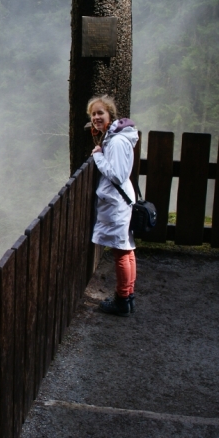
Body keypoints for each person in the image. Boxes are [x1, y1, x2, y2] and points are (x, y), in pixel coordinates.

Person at [87, 95, 139, 317]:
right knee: (126, 250)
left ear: (110, 115)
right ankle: (127, 296)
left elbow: (117, 175)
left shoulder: (116, 141)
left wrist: (98, 157)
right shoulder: (114, 137)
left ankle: (122, 300)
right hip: (120, 202)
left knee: (122, 252)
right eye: (93, 114)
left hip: (118, 204)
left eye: (100, 113)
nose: (96, 117)